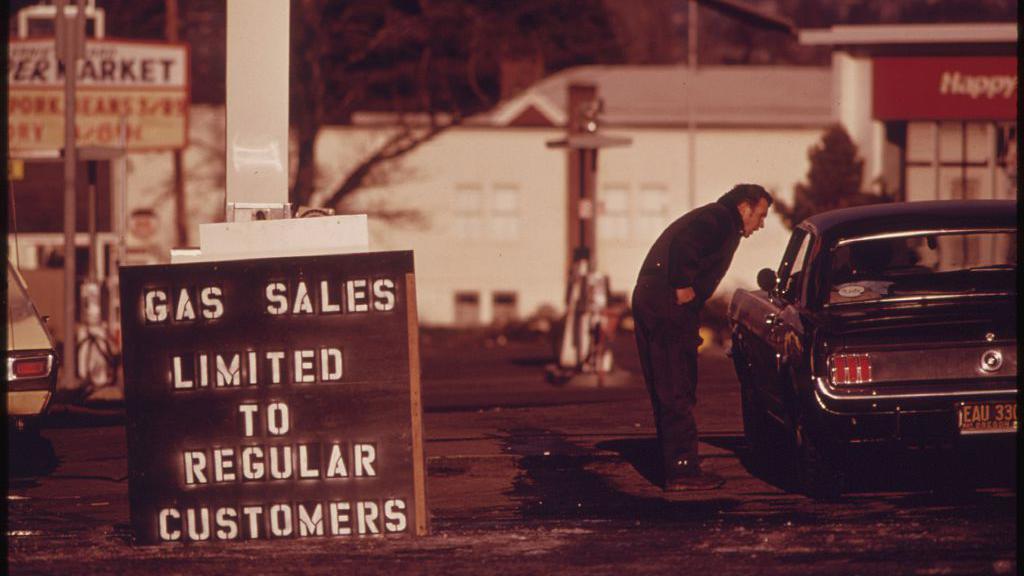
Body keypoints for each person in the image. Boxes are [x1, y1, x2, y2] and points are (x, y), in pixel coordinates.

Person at [632, 184, 772, 491]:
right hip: (666, 303)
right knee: (676, 384)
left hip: (656, 301)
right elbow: (685, 243)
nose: (760, 225)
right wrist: (682, 285)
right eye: (760, 216)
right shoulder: (720, 219)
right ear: (744, 208)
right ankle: (682, 470)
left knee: (670, 384)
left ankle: (675, 463)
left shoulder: (717, 218)